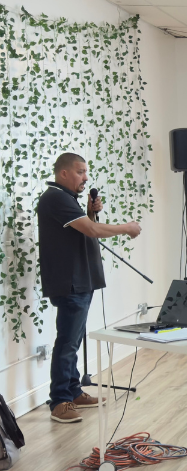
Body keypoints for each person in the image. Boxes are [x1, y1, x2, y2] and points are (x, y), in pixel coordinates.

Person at [38, 153, 142, 423]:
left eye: (86, 172)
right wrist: (127, 228)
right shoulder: (56, 198)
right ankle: (60, 400)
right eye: (80, 171)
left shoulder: (65, 199)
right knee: (68, 342)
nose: (85, 177)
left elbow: (82, 229)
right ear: (63, 173)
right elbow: (92, 231)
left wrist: (90, 211)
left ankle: (73, 391)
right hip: (69, 281)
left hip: (80, 280)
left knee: (73, 340)